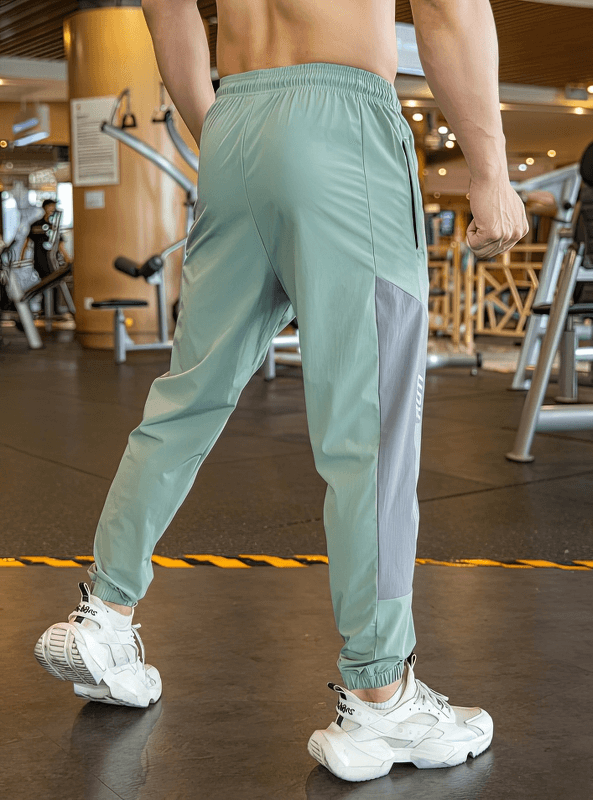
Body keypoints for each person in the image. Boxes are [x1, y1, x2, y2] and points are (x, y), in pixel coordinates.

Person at [34, 0, 528, 783]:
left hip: (236, 118)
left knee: (185, 398)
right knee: (369, 431)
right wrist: (489, 169)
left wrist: (231, 132)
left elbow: (168, 8)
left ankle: (107, 615)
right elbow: (446, 7)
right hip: (343, 122)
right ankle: (379, 694)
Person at [19, 199, 72, 315]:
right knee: (45, 283)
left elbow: (60, 245)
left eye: (54, 206)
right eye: (51, 206)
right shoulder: (36, 225)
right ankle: (47, 309)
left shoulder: (54, 226)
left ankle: (53, 309)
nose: (53, 209)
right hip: (40, 260)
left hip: (53, 260)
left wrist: (68, 258)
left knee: (55, 283)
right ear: (45, 208)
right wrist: (21, 259)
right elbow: (27, 242)